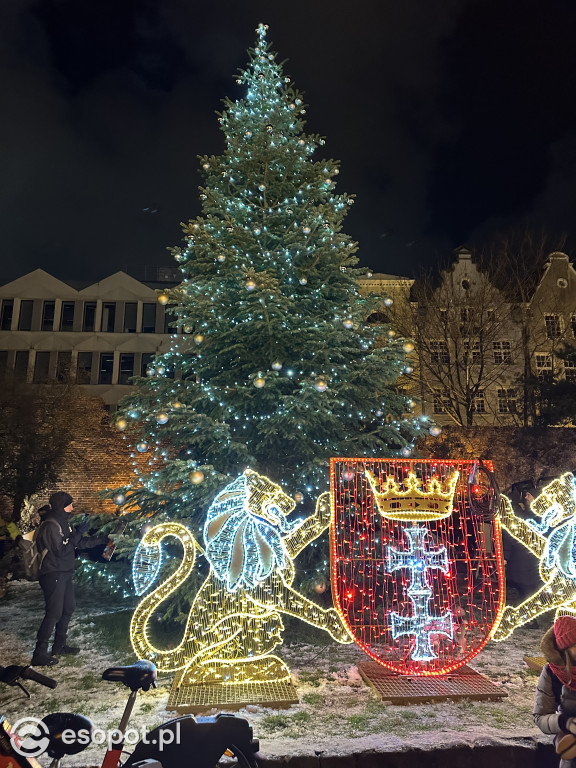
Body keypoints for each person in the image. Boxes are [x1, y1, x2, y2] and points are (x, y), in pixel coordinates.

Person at [31, 491, 107, 667]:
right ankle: (39, 654)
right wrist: (76, 534)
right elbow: (61, 550)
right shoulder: (50, 524)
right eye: (69, 505)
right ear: (60, 506)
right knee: (54, 613)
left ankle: (59, 645)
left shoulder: (64, 523)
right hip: (53, 573)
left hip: (64, 572)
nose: (72, 508)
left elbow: (77, 543)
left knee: (68, 607)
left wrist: (103, 539)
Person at [534, 615, 576, 766]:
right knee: (568, 748)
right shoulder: (552, 673)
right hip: (570, 736)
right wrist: (564, 722)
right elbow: (540, 717)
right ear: (564, 649)